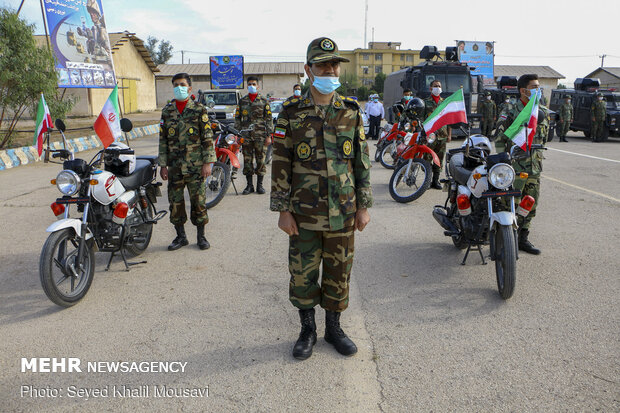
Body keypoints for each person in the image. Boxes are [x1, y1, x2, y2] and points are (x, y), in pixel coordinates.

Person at [270, 37, 372, 360]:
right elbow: (281, 162)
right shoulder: (290, 113)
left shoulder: (351, 111)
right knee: (302, 274)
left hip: (343, 210)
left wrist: (364, 206)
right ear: (308, 70)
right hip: (304, 214)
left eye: (334, 64)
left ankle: (334, 328)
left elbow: (361, 161)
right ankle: (307, 330)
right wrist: (283, 210)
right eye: (323, 64)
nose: (331, 69)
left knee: (339, 273)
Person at [158, 73, 215, 251]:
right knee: (175, 203)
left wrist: (208, 163)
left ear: (189, 88)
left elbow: (207, 137)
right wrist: (163, 165)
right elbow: (163, 140)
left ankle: (201, 236)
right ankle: (181, 236)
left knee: (198, 201)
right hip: (175, 167)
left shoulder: (199, 109)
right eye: (175, 85)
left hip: (195, 166)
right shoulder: (167, 111)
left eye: (182, 84)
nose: (178, 88)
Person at [495, 74, 549, 255]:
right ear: (523, 90)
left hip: (534, 167)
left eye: (538, 86)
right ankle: (503, 239)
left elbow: (544, 138)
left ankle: (522, 238)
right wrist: (502, 162)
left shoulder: (541, 110)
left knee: (529, 204)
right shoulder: (510, 109)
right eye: (534, 86)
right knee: (508, 203)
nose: (538, 89)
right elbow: (501, 138)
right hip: (515, 168)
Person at [235, 76, 274, 194]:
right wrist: (237, 134)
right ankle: (249, 186)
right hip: (246, 135)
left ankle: (260, 186)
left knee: (261, 160)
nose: (251, 86)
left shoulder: (263, 101)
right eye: (249, 84)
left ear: (258, 86)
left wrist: (269, 135)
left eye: (254, 84)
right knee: (247, 161)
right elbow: (237, 118)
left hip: (260, 135)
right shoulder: (242, 101)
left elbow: (268, 119)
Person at [423, 80, 451, 189]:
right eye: (435, 86)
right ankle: (427, 181)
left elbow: (448, 120)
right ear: (430, 88)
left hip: (442, 136)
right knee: (427, 159)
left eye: (439, 86)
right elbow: (422, 119)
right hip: (430, 137)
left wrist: (449, 135)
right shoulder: (426, 102)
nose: (437, 88)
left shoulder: (445, 102)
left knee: (439, 160)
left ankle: (436, 181)